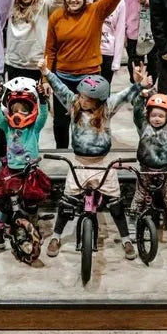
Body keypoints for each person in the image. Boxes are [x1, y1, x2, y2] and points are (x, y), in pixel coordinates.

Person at [44, 71, 143, 260]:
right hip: (80, 163)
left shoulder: (106, 109)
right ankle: (56, 237)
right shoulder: (74, 106)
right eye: (81, 95)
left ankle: (126, 239)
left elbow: (124, 96)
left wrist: (139, 84)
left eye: (87, 98)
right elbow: (60, 88)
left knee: (116, 204)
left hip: (103, 163)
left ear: (98, 100)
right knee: (66, 202)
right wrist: (46, 72)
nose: (81, 99)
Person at [43, 0, 131, 147]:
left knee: (89, 120)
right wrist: (46, 79)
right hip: (63, 77)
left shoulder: (96, 12)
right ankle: (62, 154)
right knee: (60, 121)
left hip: (89, 77)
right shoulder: (56, 17)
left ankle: (86, 152)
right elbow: (50, 50)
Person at [0, 77, 51, 252]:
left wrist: (42, 99)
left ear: (31, 110)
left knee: (32, 202)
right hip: (11, 171)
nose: (18, 115)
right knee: (6, 203)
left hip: (30, 172)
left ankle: (33, 227)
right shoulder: (8, 127)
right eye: (15, 110)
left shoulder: (33, 128)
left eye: (23, 111)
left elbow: (43, 116)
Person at [129, 93, 167, 245]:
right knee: (139, 197)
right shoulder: (143, 126)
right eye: (153, 115)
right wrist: (140, 96)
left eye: (161, 115)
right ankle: (132, 224)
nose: (157, 119)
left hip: (165, 171)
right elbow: (136, 112)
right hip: (146, 169)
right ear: (148, 115)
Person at [4, 0, 65, 82]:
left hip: (37, 65)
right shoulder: (10, 8)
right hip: (14, 64)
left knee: (38, 99)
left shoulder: (44, 5)